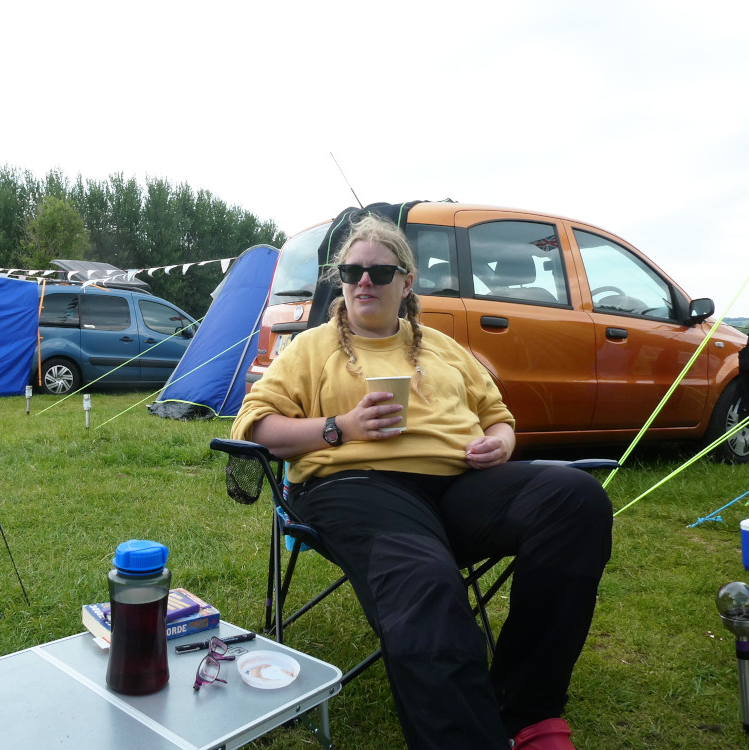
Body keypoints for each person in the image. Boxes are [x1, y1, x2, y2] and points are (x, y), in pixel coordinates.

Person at [231, 214, 612, 750]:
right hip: (359, 487)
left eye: (380, 272)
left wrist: (499, 444)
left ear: (406, 283)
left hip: (459, 486)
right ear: (340, 279)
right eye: (352, 271)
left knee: (575, 500)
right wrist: (341, 427)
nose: (365, 282)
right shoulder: (312, 348)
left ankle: (526, 709)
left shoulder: (443, 346)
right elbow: (256, 426)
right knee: (426, 583)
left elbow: (498, 416)